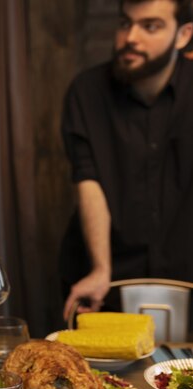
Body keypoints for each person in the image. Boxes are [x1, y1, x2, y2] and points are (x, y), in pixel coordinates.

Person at [59, 0, 193, 321]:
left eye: (150, 26)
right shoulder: (87, 91)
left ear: (183, 35)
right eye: (124, 23)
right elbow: (88, 180)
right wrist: (101, 269)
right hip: (106, 283)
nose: (131, 37)